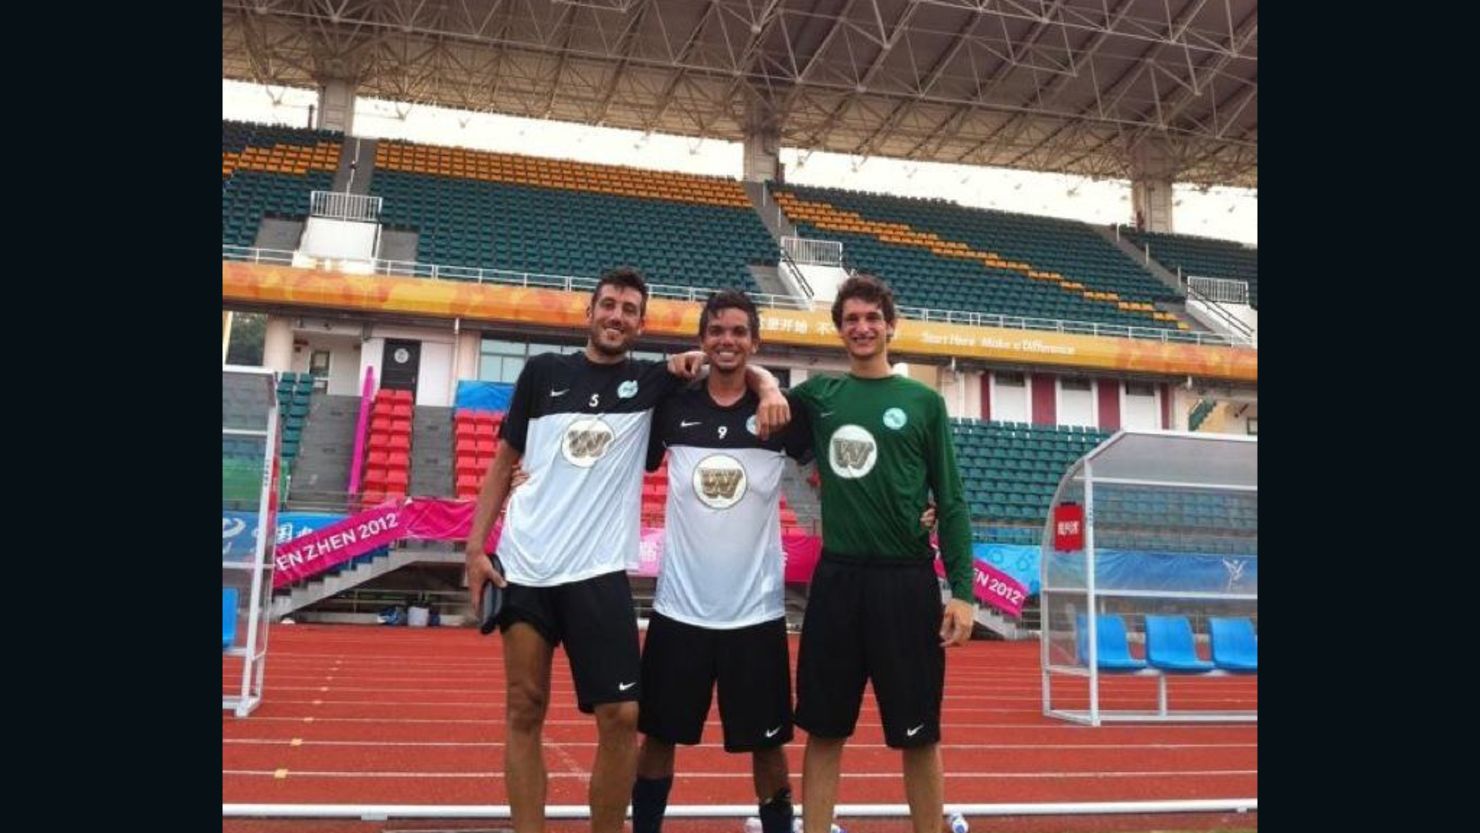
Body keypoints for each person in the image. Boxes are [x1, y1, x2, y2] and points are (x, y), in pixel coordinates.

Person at [463, 268, 788, 833]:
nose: (616, 316)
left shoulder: (655, 384)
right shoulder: (541, 373)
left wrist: (769, 386)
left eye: (629, 310)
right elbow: (502, 462)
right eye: (608, 305)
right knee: (524, 707)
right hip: (527, 566)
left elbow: (730, 360)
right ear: (589, 313)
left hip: (599, 571)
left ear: (641, 324)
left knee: (622, 716)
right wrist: (474, 549)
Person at [788, 273, 977, 833]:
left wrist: (962, 592)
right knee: (824, 729)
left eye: (872, 318)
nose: (862, 328)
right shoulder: (820, 396)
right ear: (839, 329)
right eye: (851, 319)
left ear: (890, 326)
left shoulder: (923, 402)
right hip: (839, 581)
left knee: (919, 732)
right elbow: (757, 396)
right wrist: (765, 385)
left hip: (906, 583)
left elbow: (952, 500)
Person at [628, 290, 811, 833]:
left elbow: (833, 479)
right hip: (679, 612)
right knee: (658, 737)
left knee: (769, 744)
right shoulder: (674, 408)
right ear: (702, 340)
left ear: (754, 342)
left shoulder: (780, 414)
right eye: (717, 332)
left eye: (738, 332)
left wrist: (770, 384)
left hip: (754, 616)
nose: (727, 340)